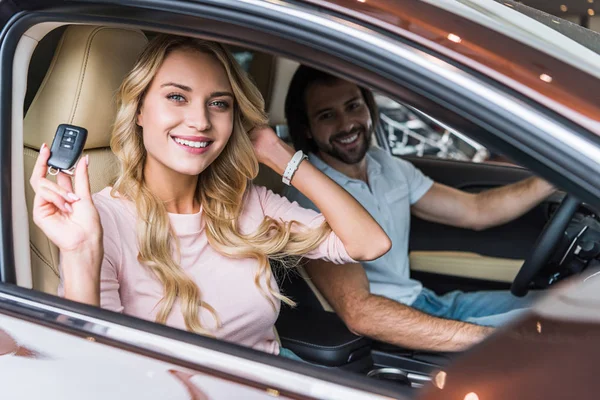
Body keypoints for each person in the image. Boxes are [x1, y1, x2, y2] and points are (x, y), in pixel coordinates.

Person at [29, 35, 391, 358]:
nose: (200, 121)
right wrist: (81, 255)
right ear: (139, 110)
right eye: (176, 97)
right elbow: (90, 367)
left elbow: (369, 243)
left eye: (219, 103)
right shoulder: (100, 221)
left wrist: (281, 155)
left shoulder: (250, 204)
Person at [283, 66, 556, 352]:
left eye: (353, 106)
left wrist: (558, 176)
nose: (347, 124)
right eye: (327, 115)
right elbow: (360, 312)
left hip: (425, 301)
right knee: (548, 333)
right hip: (390, 328)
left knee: (558, 309)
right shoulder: (308, 196)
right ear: (306, 129)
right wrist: (485, 339)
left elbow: (476, 210)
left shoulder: (386, 165)